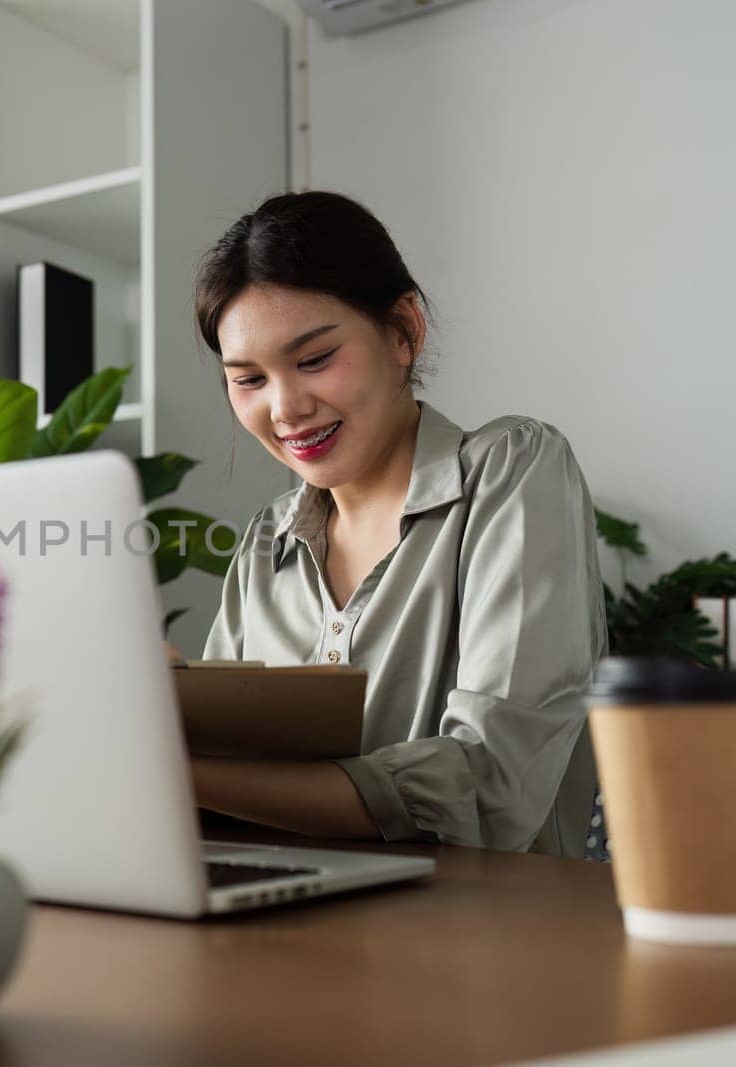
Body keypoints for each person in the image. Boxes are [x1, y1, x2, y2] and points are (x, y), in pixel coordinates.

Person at [188, 191, 607, 858]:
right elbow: (219, 777)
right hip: (295, 929)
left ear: (404, 330)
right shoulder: (267, 544)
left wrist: (187, 775)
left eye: (316, 359)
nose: (286, 407)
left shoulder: (510, 471)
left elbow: (488, 785)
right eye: (248, 380)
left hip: (496, 933)